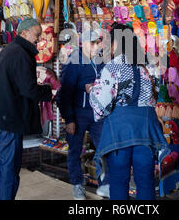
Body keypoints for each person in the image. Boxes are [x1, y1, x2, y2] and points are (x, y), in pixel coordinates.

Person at [89, 23, 169, 200]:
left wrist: (92, 92)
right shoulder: (144, 69)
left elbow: (101, 107)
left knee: (119, 181)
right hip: (145, 133)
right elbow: (151, 101)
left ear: (115, 42)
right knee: (146, 181)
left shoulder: (112, 68)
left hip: (120, 133)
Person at [0, 18, 52, 200]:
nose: (38, 39)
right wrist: (49, 91)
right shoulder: (20, 53)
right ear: (24, 33)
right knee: (8, 171)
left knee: (3, 168)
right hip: (7, 121)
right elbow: (28, 89)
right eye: (36, 35)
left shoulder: (12, 50)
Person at [56, 30, 109, 200]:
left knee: (105, 147)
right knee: (75, 150)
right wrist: (69, 119)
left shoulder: (100, 60)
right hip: (78, 112)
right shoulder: (73, 61)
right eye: (93, 43)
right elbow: (64, 93)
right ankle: (77, 185)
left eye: (97, 43)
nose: (96, 46)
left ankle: (104, 183)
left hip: (97, 113)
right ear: (83, 43)